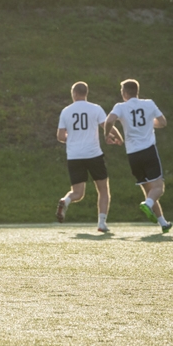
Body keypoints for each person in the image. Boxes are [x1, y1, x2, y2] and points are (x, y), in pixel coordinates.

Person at [104, 79, 172, 234]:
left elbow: (109, 120)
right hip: (148, 151)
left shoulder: (120, 106)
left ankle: (163, 223)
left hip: (133, 155)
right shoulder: (149, 103)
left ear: (125, 93)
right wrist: (149, 123)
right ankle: (148, 204)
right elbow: (163, 122)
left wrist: (107, 135)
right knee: (158, 188)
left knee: (149, 190)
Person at [55, 82, 122, 233]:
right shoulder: (95, 108)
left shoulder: (66, 111)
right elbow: (107, 126)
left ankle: (65, 200)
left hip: (74, 156)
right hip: (93, 155)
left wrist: (72, 138)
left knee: (77, 193)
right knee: (103, 190)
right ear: (86, 93)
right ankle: (101, 223)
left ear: (74, 94)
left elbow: (60, 136)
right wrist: (118, 138)